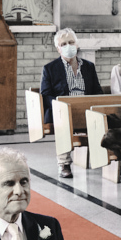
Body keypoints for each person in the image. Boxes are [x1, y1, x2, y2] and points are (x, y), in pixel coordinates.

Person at [39, 28, 103, 178]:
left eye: (71, 42)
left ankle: (107, 159)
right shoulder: (49, 69)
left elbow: (97, 90)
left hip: (86, 109)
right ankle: (64, 164)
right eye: (64, 44)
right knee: (63, 119)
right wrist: (61, 106)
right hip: (63, 111)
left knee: (104, 118)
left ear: (77, 44)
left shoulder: (88, 66)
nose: (68, 46)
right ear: (58, 48)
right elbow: (46, 95)